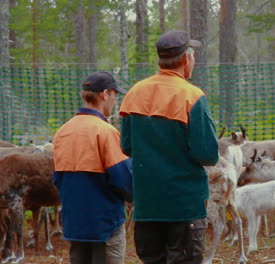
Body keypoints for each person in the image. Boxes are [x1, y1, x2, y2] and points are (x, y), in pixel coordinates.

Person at [119, 30, 219, 264]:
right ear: (186, 59)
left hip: (147, 205)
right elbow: (208, 154)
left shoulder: (134, 93)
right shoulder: (191, 96)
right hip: (184, 206)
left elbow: (126, 146)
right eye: (193, 56)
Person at [53, 71, 133, 264]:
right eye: (115, 95)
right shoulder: (104, 131)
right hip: (105, 224)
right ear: (104, 94)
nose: (115, 100)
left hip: (74, 225)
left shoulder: (63, 131)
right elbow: (122, 179)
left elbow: (58, 179)